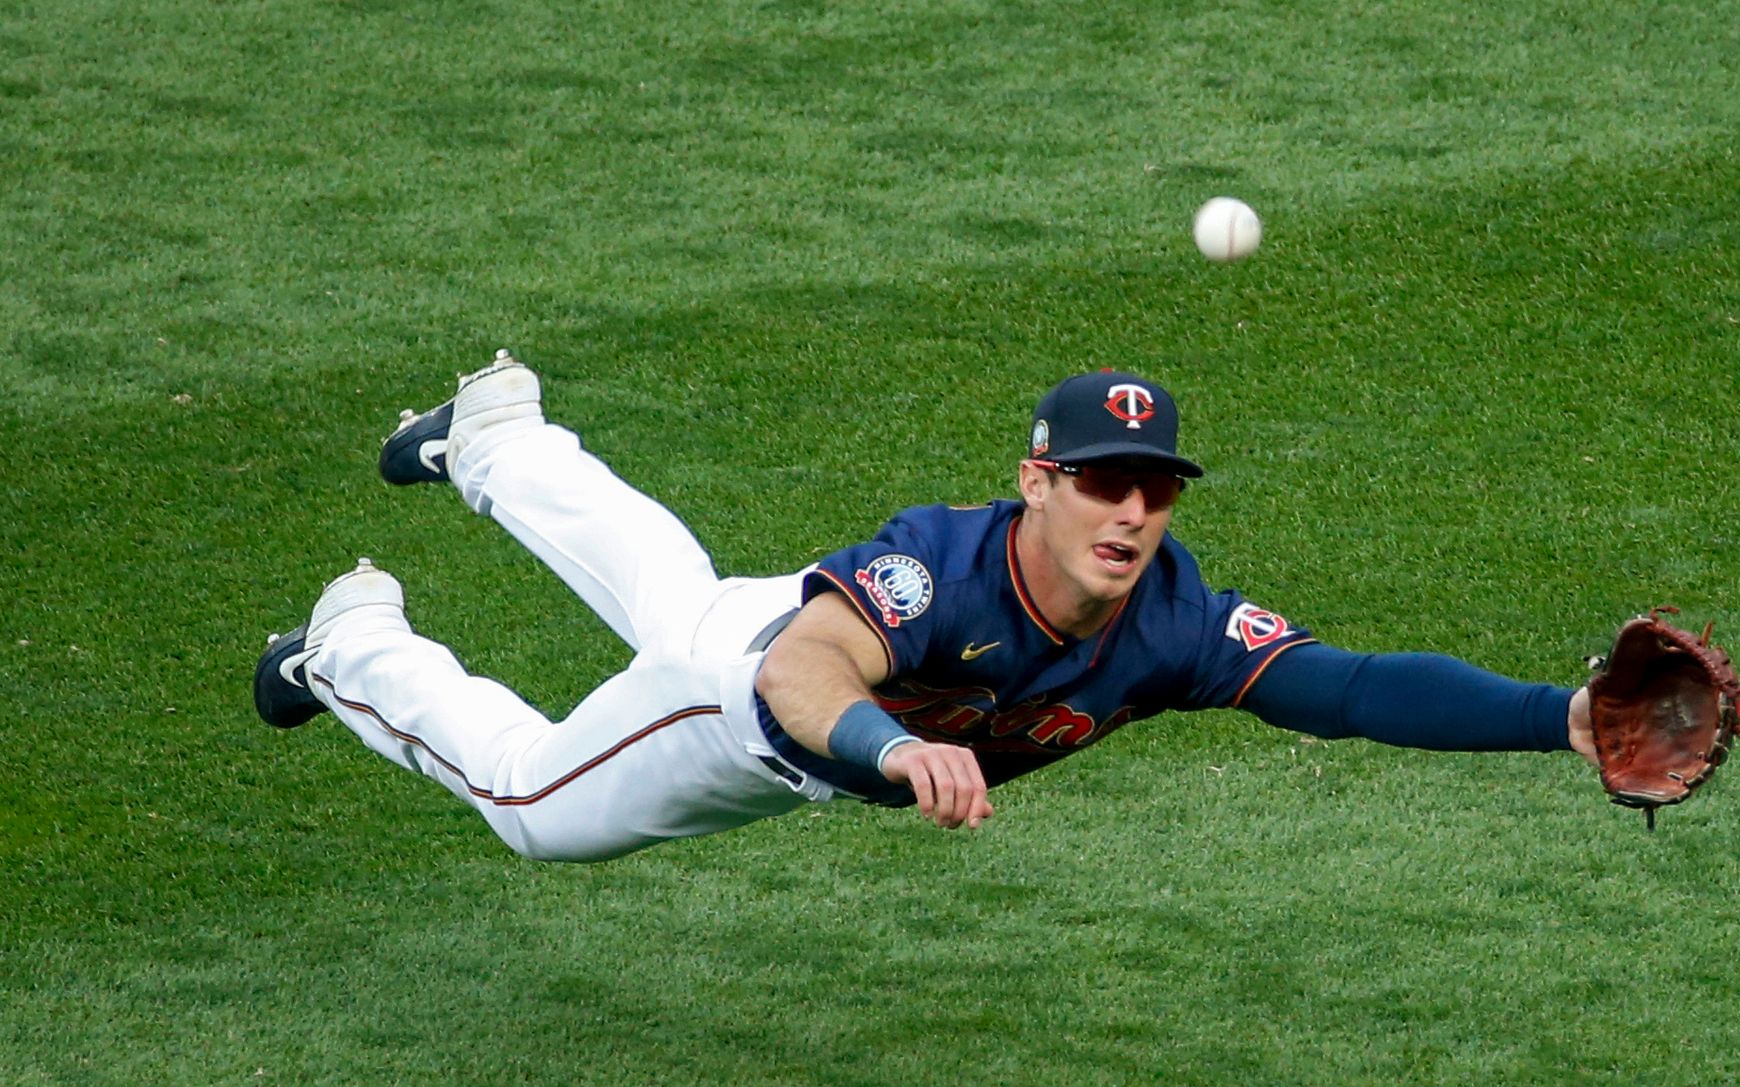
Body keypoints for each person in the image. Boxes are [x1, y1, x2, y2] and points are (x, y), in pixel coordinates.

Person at [255, 351, 1593, 861]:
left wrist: (1565, 719)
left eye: (1156, 491)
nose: (1132, 514)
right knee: (534, 809)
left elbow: (1352, 690)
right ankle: (354, 642)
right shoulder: (941, 569)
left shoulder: (1175, 620)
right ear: (1038, 481)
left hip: (782, 648)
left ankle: (494, 435)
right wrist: (892, 747)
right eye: (1102, 485)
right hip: (753, 710)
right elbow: (799, 676)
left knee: (679, 594)